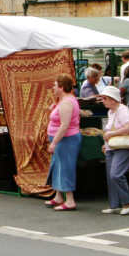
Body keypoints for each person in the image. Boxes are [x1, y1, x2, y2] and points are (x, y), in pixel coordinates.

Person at [45, 73, 81, 211]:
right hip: (62, 139)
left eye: (55, 85)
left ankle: (70, 200)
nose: (53, 88)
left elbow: (64, 125)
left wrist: (54, 142)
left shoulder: (67, 102)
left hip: (66, 139)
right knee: (58, 166)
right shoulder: (63, 100)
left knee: (65, 168)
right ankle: (59, 196)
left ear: (61, 87)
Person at [99, 85, 129, 215]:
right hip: (113, 147)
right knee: (111, 176)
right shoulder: (111, 112)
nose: (102, 101)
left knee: (115, 174)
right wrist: (106, 143)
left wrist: (111, 135)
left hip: (122, 147)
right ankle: (114, 204)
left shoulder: (122, 110)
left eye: (104, 98)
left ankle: (127, 202)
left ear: (113, 99)